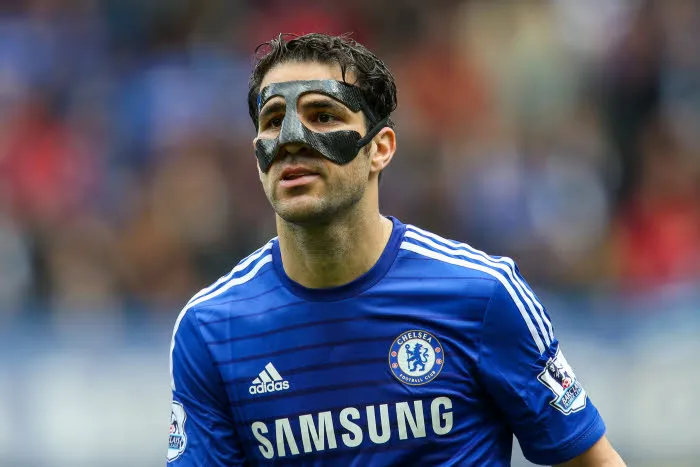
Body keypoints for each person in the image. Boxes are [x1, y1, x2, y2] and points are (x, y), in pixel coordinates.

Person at [167, 33, 625, 466]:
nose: (290, 139)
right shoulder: (211, 330)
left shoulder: (482, 295)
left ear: (380, 148)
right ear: (257, 156)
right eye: (272, 121)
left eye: (322, 116)